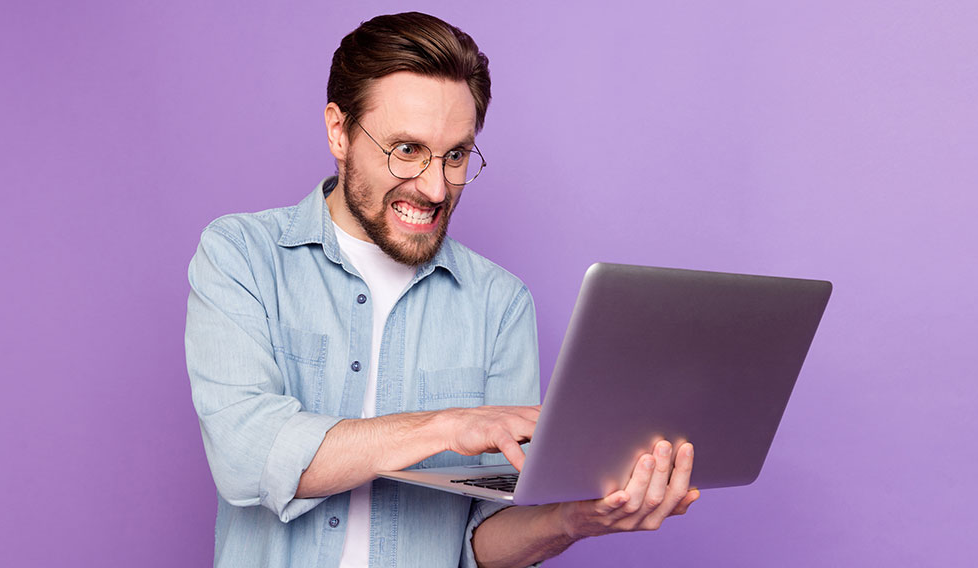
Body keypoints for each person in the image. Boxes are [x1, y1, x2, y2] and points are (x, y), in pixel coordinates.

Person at [184, 12, 700, 568]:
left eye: (456, 155)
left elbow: (483, 539)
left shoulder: (499, 304)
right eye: (406, 149)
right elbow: (247, 456)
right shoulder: (242, 255)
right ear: (339, 131)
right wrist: (445, 426)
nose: (435, 187)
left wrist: (574, 520)